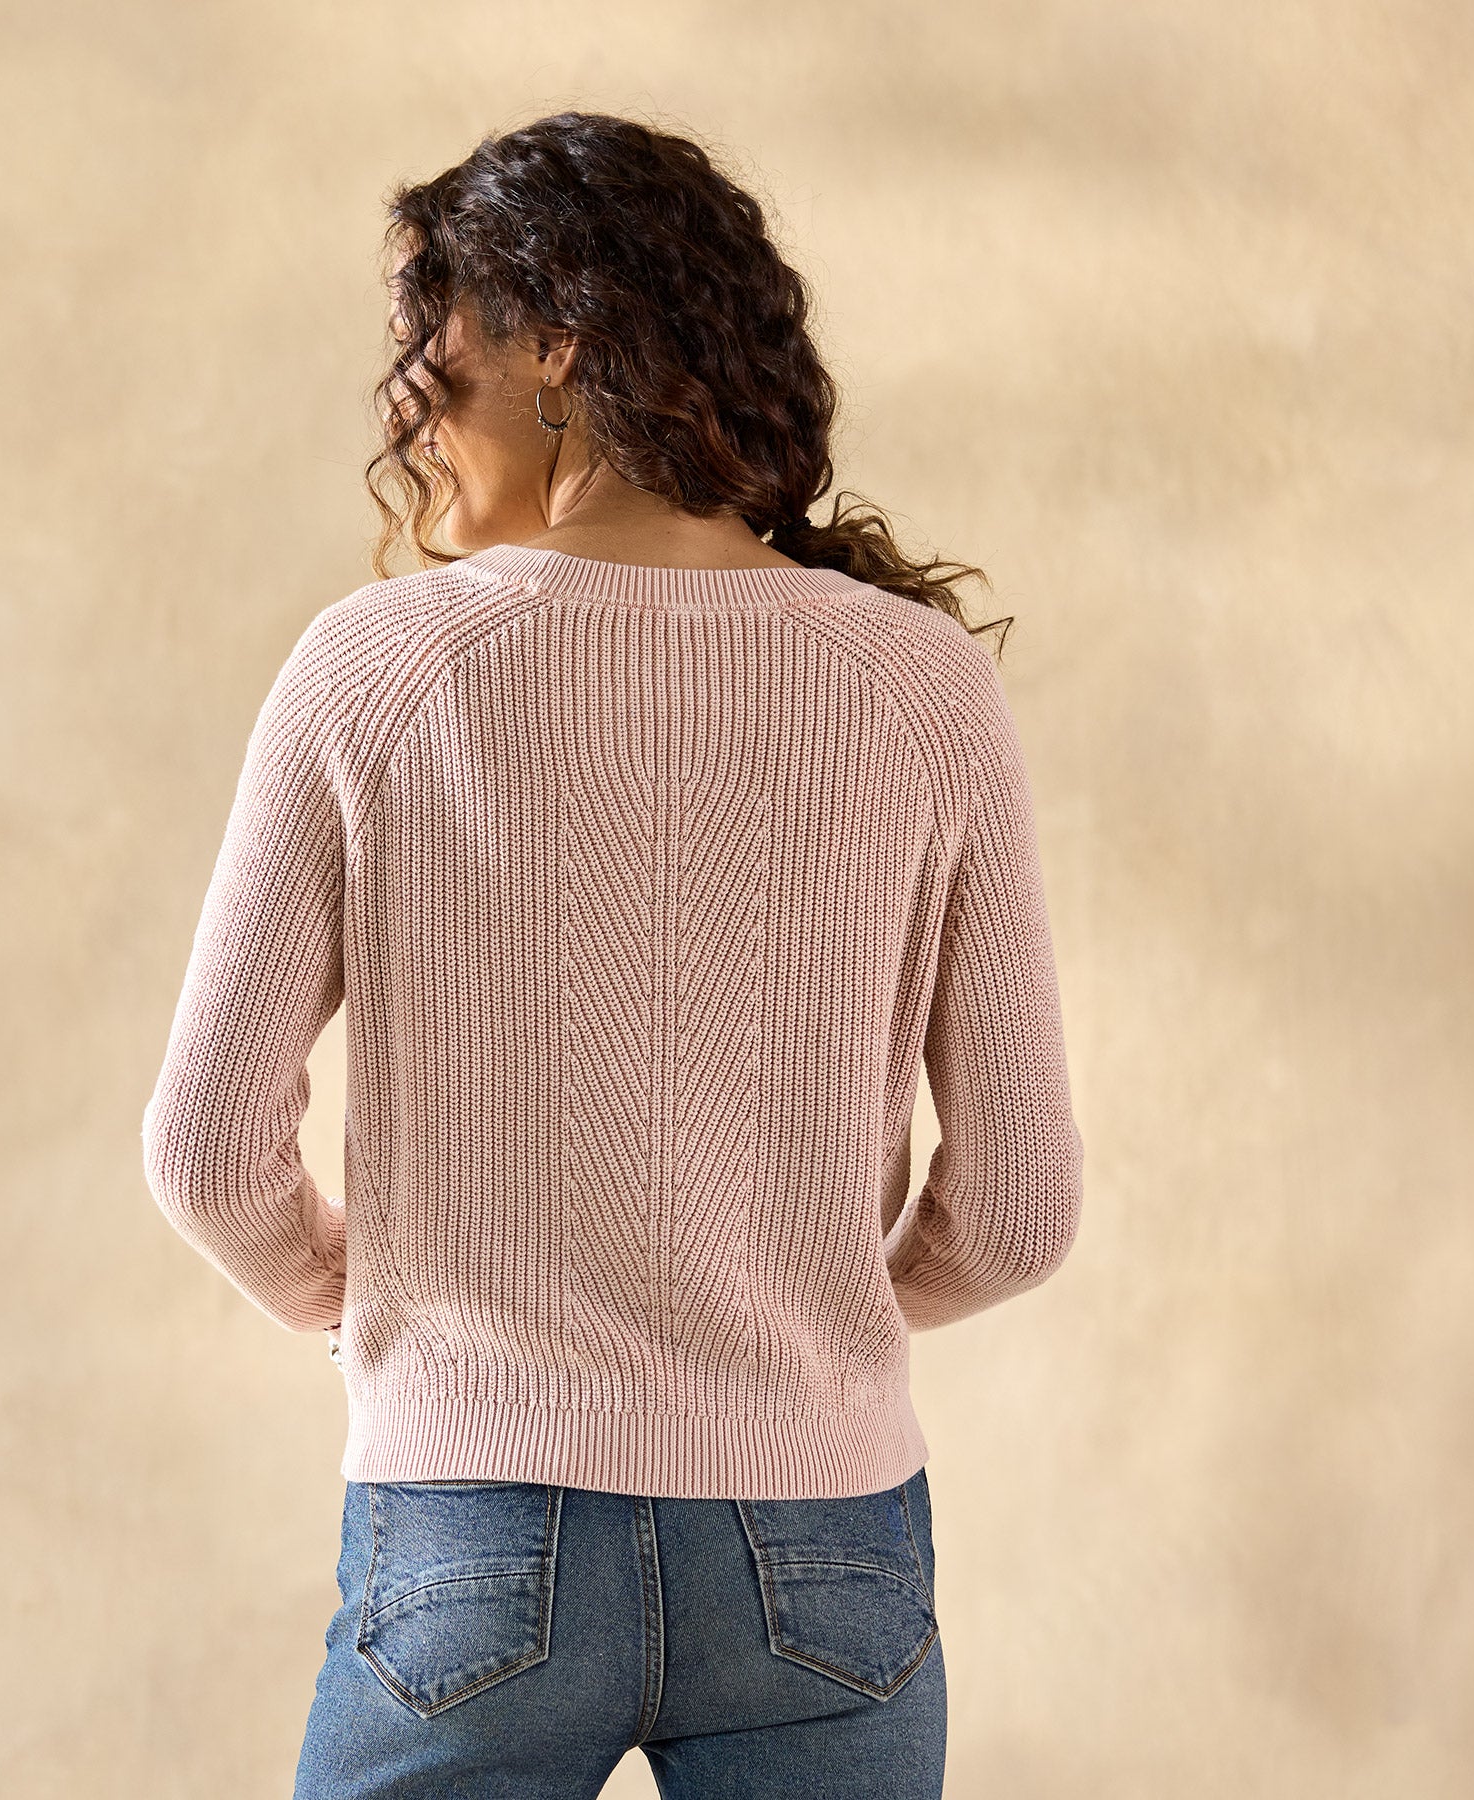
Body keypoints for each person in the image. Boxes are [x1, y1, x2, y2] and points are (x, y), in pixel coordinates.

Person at [141, 110, 1084, 1800]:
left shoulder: (377, 670)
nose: (407, 405)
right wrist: (798, 1330)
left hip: (473, 1534)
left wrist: (379, 1313)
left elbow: (207, 1154)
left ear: (555, 338)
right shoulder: (921, 685)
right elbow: (1019, 1212)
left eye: (429, 342)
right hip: (824, 1550)